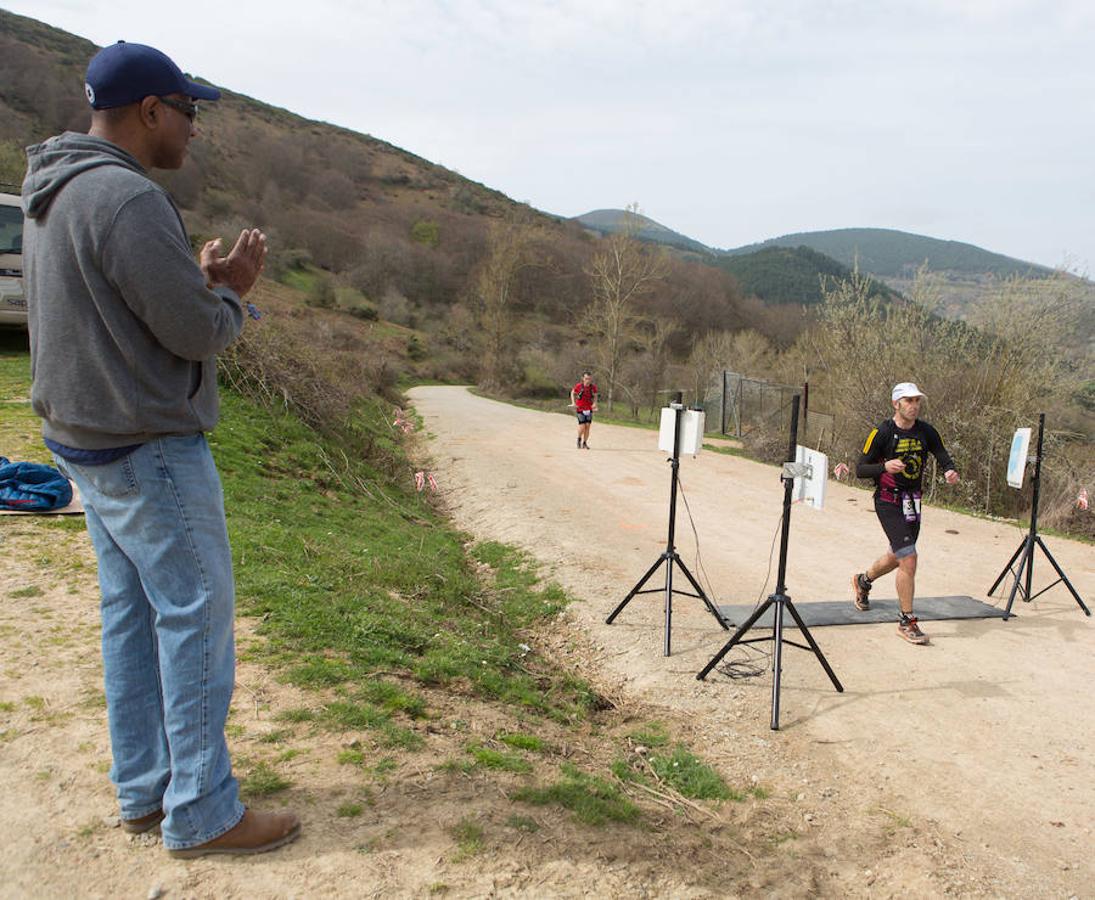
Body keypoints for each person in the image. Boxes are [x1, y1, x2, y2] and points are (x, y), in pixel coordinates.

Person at [21, 41, 300, 858]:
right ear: (150, 111)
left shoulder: (52, 189)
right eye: (189, 112)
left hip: (84, 440)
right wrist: (228, 293)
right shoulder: (126, 199)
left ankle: (145, 791)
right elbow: (192, 332)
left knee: (131, 617)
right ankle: (204, 812)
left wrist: (193, 281)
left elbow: (116, 308)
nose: (193, 130)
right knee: (195, 617)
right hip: (145, 448)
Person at [851, 382, 959, 645]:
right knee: (908, 557)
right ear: (896, 404)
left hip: (913, 501)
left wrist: (949, 469)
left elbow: (941, 452)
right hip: (888, 501)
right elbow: (860, 469)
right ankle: (907, 621)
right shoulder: (882, 432)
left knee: (898, 556)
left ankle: (863, 581)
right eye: (908, 401)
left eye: (917, 401)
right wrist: (885, 467)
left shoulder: (926, 431)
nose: (914, 406)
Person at [569, 371, 598, 449]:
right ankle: (579, 439)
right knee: (582, 426)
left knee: (588, 426)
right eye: (586, 378)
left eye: (589, 379)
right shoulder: (579, 386)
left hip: (589, 408)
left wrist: (595, 404)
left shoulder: (593, 387)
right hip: (580, 408)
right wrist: (573, 403)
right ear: (583, 378)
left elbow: (595, 396)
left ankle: (584, 443)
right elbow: (572, 392)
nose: (587, 380)